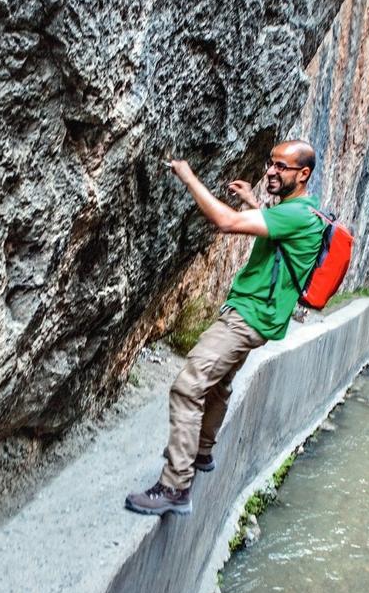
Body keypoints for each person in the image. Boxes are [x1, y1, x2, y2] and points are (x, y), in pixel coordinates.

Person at [125, 139, 326, 516]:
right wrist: (254, 200)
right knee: (218, 383)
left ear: (303, 175)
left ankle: (174, 487)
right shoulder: (302, 212)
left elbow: (225, 222)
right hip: (261, 317)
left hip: (246, 317)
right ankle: (201, 452)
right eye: (271, 163)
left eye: (281, 167)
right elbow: (277, 237)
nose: (271, 171)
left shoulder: (295, 215)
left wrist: (188, 176)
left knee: (187, 386)